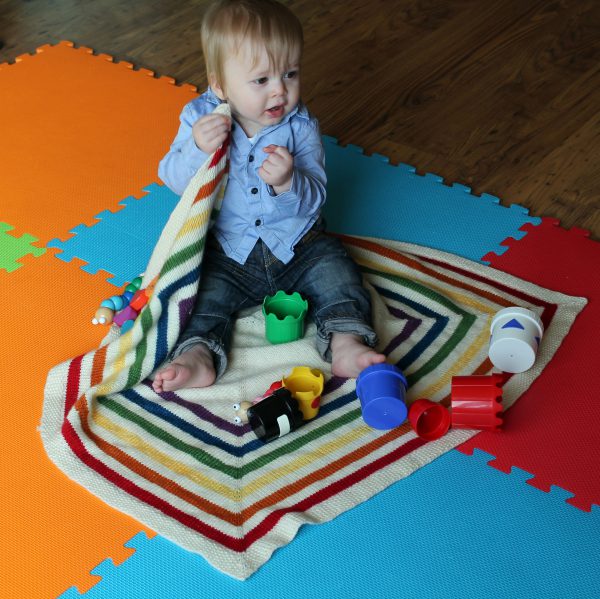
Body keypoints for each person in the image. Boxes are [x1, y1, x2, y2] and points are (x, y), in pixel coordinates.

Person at [153, 0, 385, 393]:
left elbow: (315, 198)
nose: (280, 90)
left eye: (290, 74)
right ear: (220, 86)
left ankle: (346, 341)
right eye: (261, 81)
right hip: (229, 251)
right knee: (200, 295)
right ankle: (198, 356)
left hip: (299, 245)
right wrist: (197, 148)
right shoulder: (199, 119)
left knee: (337, 272)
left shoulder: (300, 126)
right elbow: (172, 179)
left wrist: (288, 182)